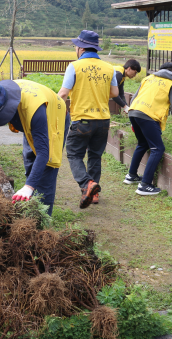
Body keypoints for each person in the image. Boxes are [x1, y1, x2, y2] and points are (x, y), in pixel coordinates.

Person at [0, 80, 70, 215]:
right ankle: (31, 197)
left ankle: (42, 221)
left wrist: (29, 186)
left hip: (53, 115)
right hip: (28, 114)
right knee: (29, 160)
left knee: (46, 170)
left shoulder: (34, 109)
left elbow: (43, 152)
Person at [58, 30, 119, 209]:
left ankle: (87, 184)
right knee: (95, 155)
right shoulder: (109, 68)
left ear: (81, 48)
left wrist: (51, 108)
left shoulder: (75, 66)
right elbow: (115, 93)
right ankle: (94, 194)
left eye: (76, 46)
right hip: (103, 121)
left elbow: (63, 93)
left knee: (74, 153)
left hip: (82, 120)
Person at [126, 62, 172, 195]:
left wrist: (133, 120)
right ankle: (145, 185)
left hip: (134, 111)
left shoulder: (148, 78)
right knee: (157, 148)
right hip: (148, 116)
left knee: (142, 143)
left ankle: (131, 175)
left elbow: (134, 98)